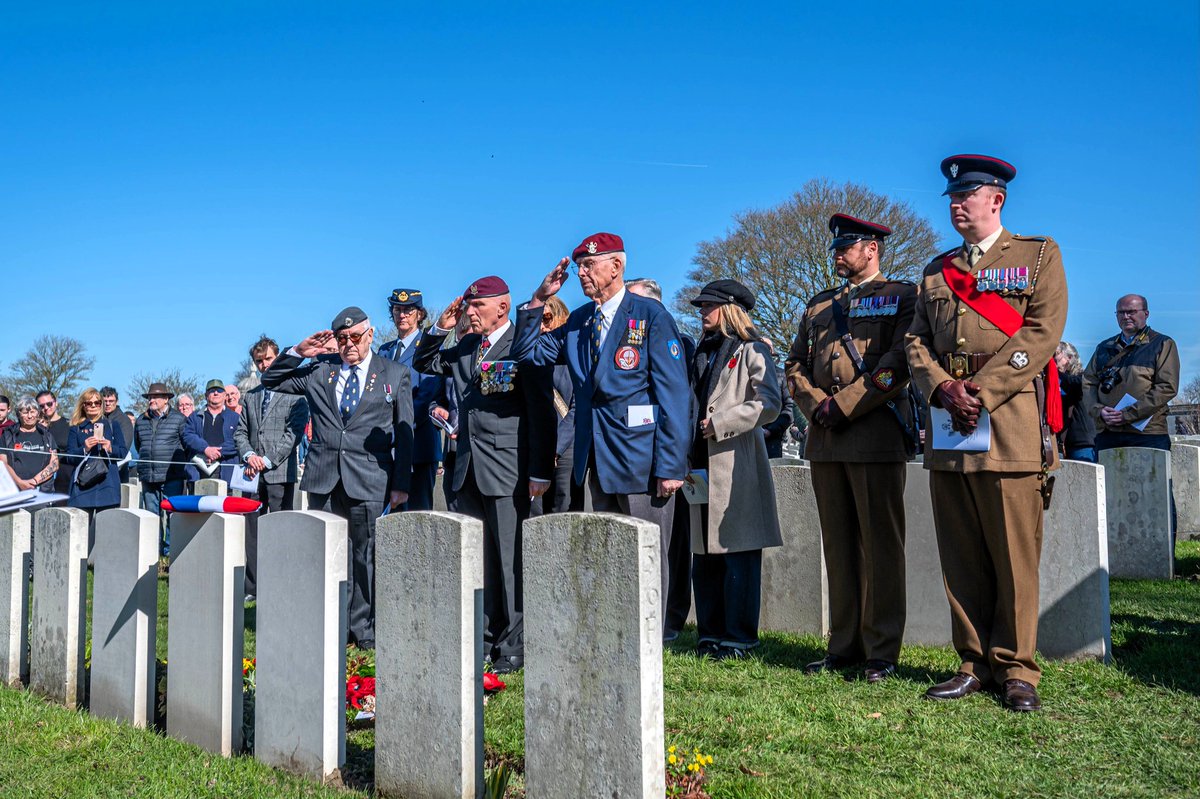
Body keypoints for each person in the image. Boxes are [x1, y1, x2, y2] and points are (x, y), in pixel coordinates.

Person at [905, 154, 1067, 712]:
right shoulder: (935, 269)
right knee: (962, 550)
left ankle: (1018, 667)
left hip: (1011, 422)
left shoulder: (1037, 254)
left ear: (996, 200)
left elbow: (1043, 331)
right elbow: (915, 341)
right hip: (950, 425)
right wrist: (943, 387)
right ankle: (972, 662)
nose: (956, 203)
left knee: (1014, 553)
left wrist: (982, 391)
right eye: (951, 196)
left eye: (967, 195)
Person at [511, 234, 692, 626]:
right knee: (613, 551)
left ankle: (650, 637)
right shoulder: (578, 321)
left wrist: (672, 465)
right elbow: (526, 354)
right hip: (598, 457)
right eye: (578, 265)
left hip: (643, 458)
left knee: (647, 552)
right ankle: (620, 633)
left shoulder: (649, 315)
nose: (581, 272)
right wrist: (539, 299)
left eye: (590, 265)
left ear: (616, 267)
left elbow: (674, 394)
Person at [786, 214, 918, 681]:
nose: (838, 255)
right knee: (839, 547)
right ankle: (843, 645)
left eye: (847, 247)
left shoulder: (902, 296)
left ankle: (882, 650)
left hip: (874, 432)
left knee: (881, 547)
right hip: (825, 437)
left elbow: (897, 363)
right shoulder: (819, 305)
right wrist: (816, 404)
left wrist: (843, 404)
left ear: (872, 248)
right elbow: (795, 363)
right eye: (835, 248)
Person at [414, 277, 556, 673]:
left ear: (503, 309)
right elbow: (424, 362)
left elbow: (541, 411)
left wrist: (540, 469)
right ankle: (487, 638)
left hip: (509, 468)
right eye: (468, 306)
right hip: (467, 468)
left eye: (479, 307)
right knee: (480, 560)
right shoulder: (465, 349)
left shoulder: (522, 344)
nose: (471, 312)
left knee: (511, 560)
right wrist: (441, 327)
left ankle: (515, 645)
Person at [261, 306, 414, 650]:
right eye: (342, 339)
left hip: (370, 478)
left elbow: (406, 434)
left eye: (355, 337)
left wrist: (401, 483)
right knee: (329, 554)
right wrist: (298, 352)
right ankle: (335, 622)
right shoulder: (320, 372)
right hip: (324, 477)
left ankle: (363, 628)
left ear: (370, 335)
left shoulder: (394, 373)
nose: (349, 344)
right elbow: (270, 380)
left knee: (365, 554)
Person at [688, 280, 783, 659]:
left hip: (737, 461)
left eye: (707, 305)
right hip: (700, 462)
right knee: (705, 556)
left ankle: (740, 637)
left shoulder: (752, 350)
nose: (701, 311)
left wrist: (723, 421)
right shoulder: (701, 351)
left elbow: (770, 404)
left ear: (728, 308)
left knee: (738, 555)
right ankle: (710, 633)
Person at [626, 275, 698, 641]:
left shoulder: (677, 341)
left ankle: (668, 621)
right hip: (636, 457)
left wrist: (673, 462)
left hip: (667, 457)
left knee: (671, 545)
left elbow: (678, 403)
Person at [235, 337, 310, 599]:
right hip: (251, 474)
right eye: (259, 361)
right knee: (252, 532)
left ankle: (280, 580)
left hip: (278, 472)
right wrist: (249, 455)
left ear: (278, 358)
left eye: (268, 359)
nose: (264, 364)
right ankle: (253, 587)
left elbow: (293, 434)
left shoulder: (296, 394)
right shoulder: (251, 396)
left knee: (279, 529)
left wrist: (267, 460)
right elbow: (241, 431)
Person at [1083, 294, 1179, 453]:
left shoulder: (1162, 344)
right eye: (1120, 312)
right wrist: (1098, 410)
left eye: (1131, 312)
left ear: (1146, 314)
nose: (1126, 316)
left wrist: (1127, 414)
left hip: (1147, 433)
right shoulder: (1104, 347)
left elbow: (1167, 387)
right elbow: (1088, 382)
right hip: (1108, 431)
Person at [377, 288, 446, 511]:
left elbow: (427, 393)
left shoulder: (428, 346)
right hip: (388, 448)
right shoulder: (384, 350)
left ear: (419, 314)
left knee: (418, 515)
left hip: (418, 444)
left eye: (408, 310)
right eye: (397, 309)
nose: (402, 315)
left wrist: (395, 423)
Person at [526, 296, 585, 514]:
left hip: (567, 445)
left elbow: (578, 409)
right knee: (534, 513)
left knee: (564, 507)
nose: (541, 326)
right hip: (536, 447)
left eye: (547, 318)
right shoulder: (530, 358)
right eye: (536, 321)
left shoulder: (575, 355)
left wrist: (555, 447)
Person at [67, 387, 129, 554]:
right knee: (79, 532)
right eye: (89, 403)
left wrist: (110, 447)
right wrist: (84, 449)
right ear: (83, 405)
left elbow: (122, 452)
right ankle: (78, 564)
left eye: (97, 402)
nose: (93, 406)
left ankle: (103, 566)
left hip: (107, 484)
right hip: (83, 485)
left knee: (107, 533)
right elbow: (69, 457)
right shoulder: (76, 428)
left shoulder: (112, 424)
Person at [133, 383, 189, 556]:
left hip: (171, 475)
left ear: (166, 399)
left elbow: (185, 444)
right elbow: (139, 444)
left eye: (156, 397)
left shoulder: (179, 419)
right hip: (148, 474)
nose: (151, 400)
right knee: (151, 515)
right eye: (150, 397)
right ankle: (154, 551)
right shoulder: (141, 420)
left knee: (172, 515)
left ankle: (170, 551)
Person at [184, 380, 241, 484]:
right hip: (198, 472)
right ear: (206, 395)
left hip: (226, 473)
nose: (216, 393)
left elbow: (238, 439)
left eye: (219, 390)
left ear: (224, 395)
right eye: (212, 391)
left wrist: (217, 452)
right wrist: (205, 449)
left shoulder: (235, 418)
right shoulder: (194, 417)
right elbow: (188, 436)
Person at [0, 397, 59, 492]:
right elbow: (2, 463)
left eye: (33, 412)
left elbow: (54, 464)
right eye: (25, 412)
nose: (30, 416)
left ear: (38, 413)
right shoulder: (7, 435)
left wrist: (34, 481)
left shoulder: (47, 435)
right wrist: (19, 482)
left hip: (42, 490)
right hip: (14, 490)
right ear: (18, 414)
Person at [1055, 342, 1096, 462]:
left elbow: (1075, 384)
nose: (1055, 365)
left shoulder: (1083, 378)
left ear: (1069, 358)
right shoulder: (1059, 381)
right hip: (1063, 442)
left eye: (1056, 360)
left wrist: (1055, 372)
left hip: (1082, 443)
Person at [759, 339, 794, 460]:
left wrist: (770, 430)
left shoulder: (782, 375)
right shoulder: (745, 375)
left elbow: (789, 409)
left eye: (766, 347)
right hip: (748, 438)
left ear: (772, 351)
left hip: (771, 440)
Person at [37, 390, 73, 496]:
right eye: (42, 406)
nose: (46, 408)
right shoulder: (35, 427)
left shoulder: (70, 425)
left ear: (56, 402)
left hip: (65, 478)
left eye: (49, 404)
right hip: (42, 479)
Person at [100, 387, 135, 482]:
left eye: (111, 401)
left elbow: (123, 448)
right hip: (95, 469)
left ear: (117, 401)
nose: (107, 404)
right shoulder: (96, 418)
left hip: (117, 469)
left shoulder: (124, 420)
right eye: (105, 401)